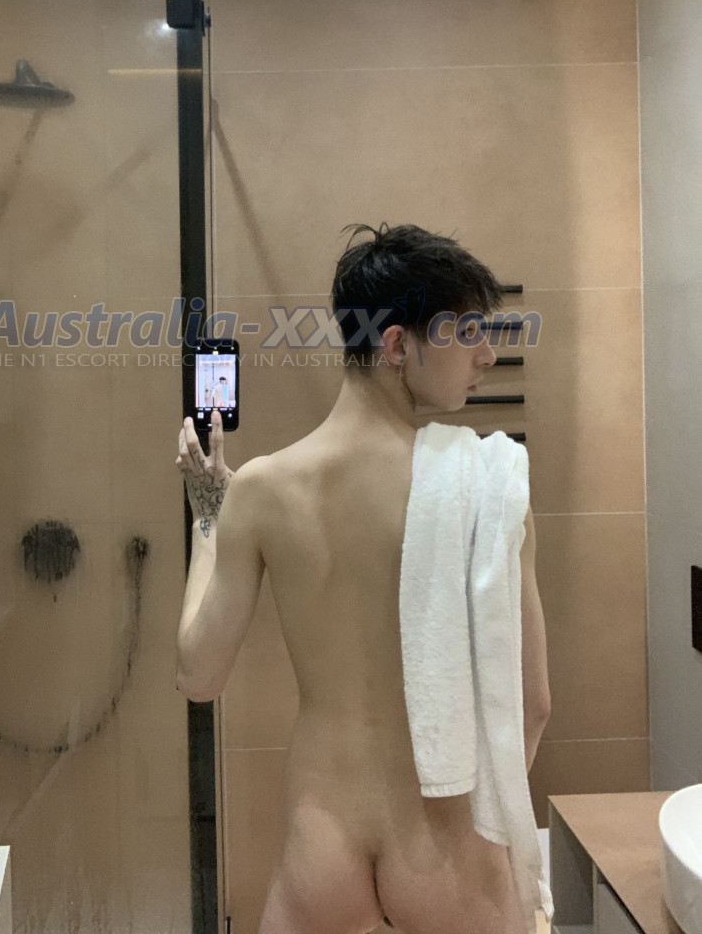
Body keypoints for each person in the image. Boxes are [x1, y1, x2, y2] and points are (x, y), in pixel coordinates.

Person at [175, 223, 552, 934]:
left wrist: (207, 521)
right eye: (467, 332)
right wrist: (488, 811)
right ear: (397, 344)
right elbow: (533, 704)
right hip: (449, 843)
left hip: (323, 842)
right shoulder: (487, 486)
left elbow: (198, 675)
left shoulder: (263, 489)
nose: (487, 353)